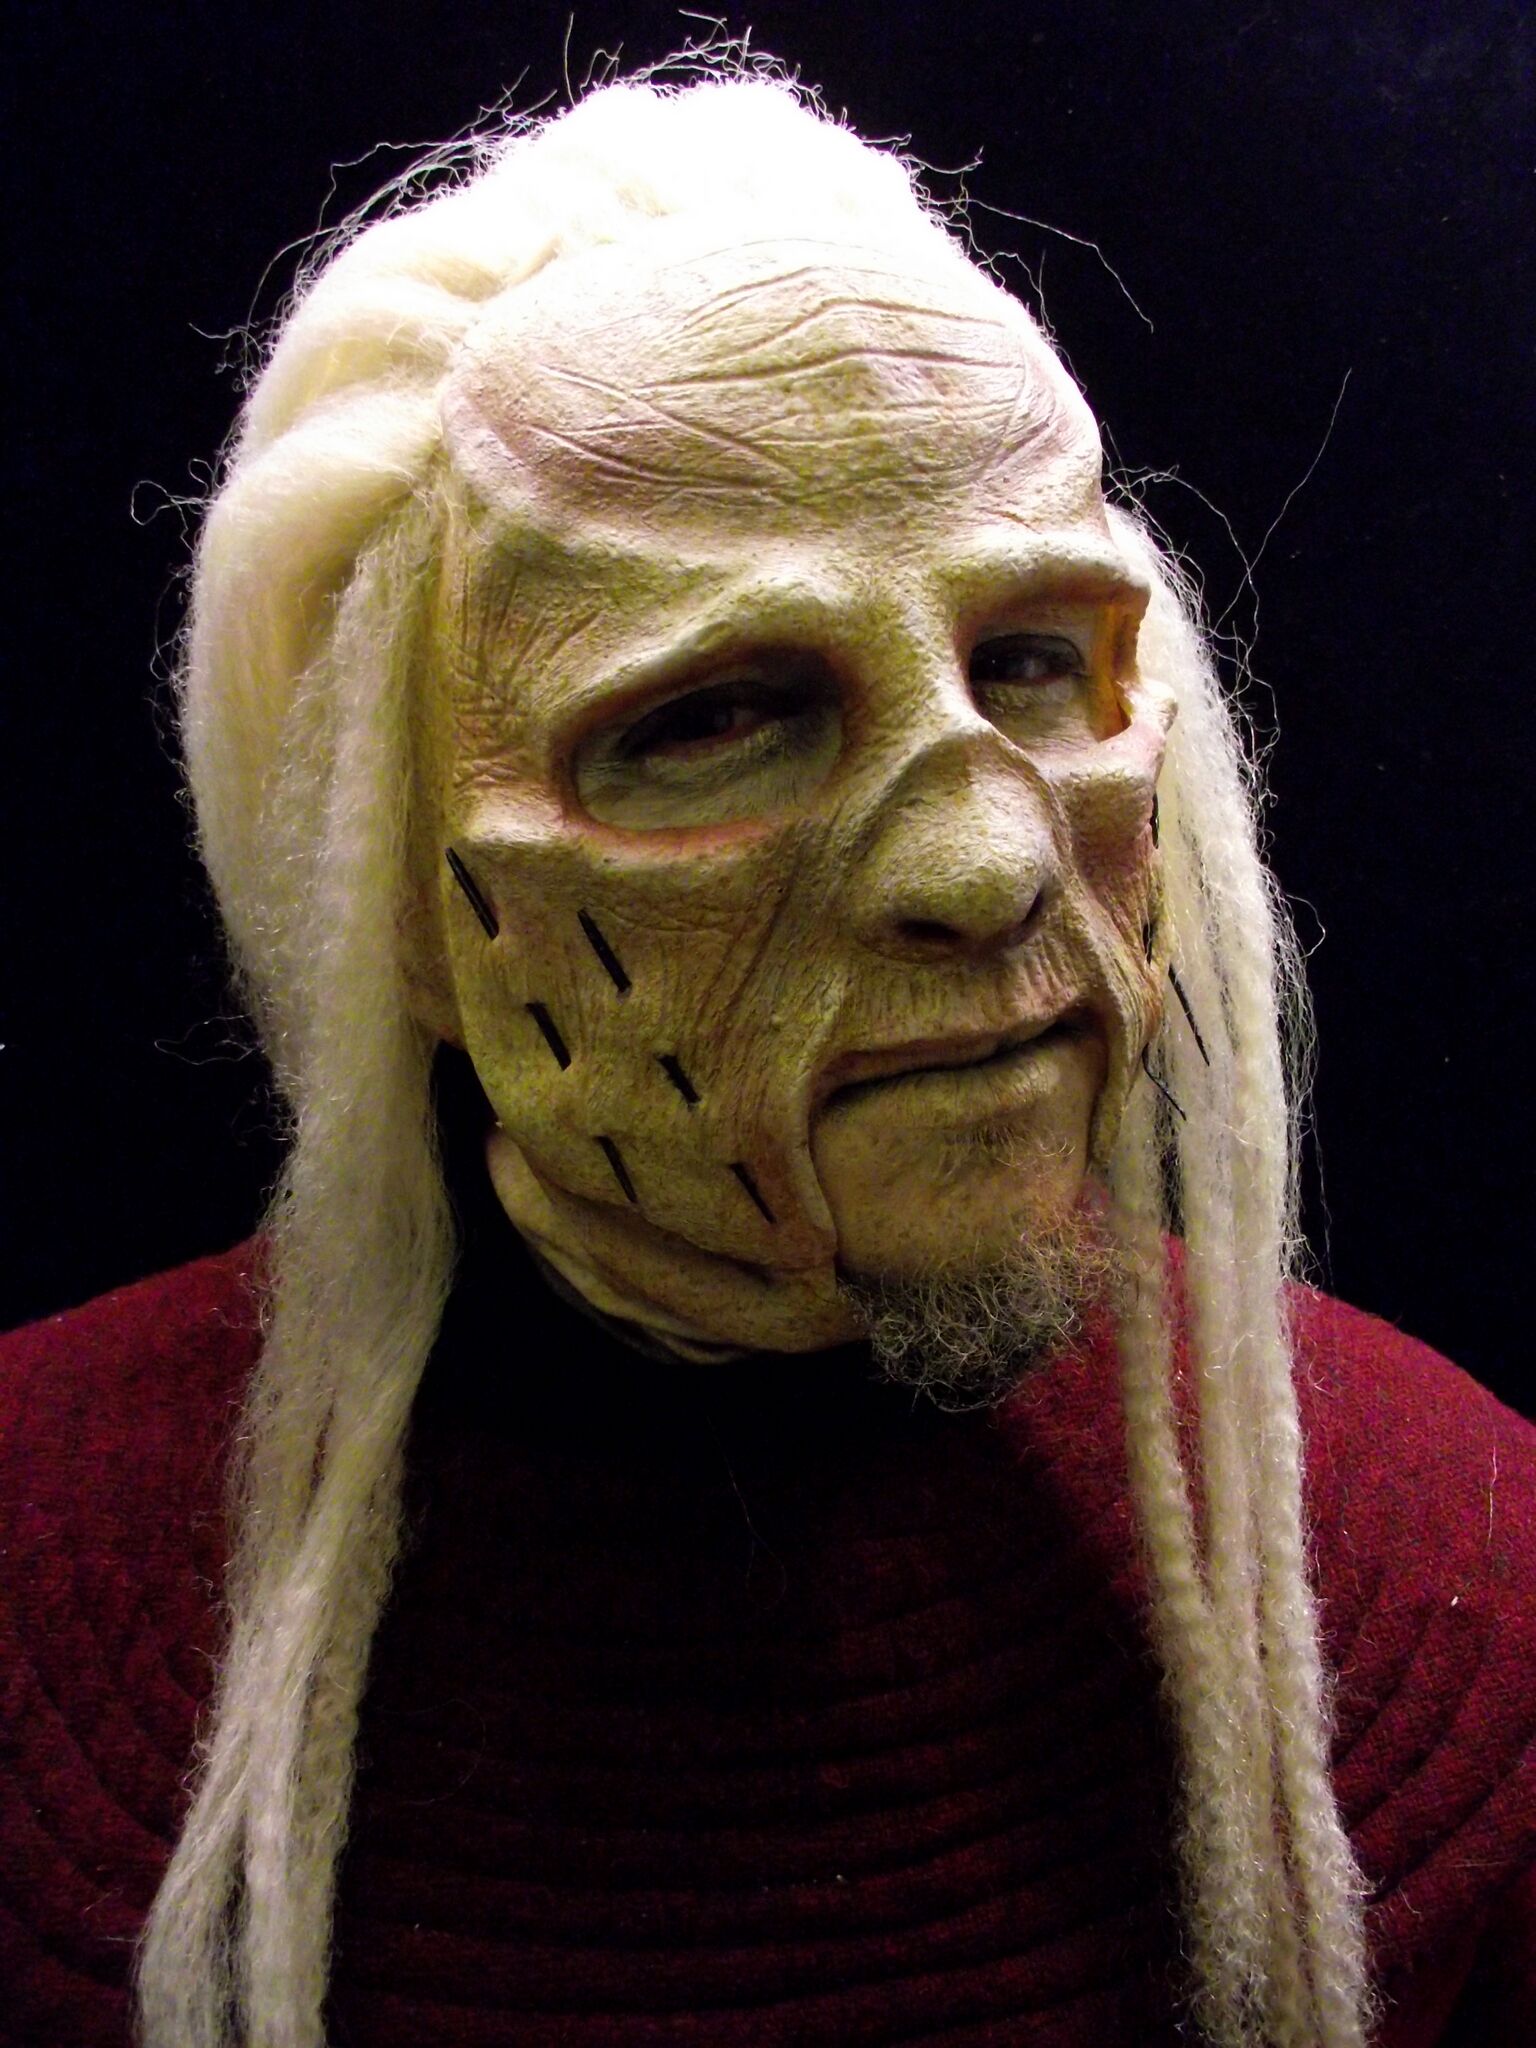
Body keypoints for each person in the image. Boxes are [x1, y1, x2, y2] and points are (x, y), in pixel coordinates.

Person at [1, 66, 1531, 2048]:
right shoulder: (38, 1571)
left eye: (1033, 660)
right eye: (716, 715)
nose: (988, 867)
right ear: (390, 894)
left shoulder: (1460, 1554)